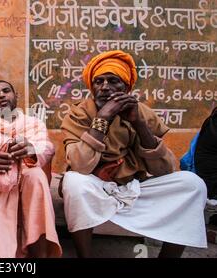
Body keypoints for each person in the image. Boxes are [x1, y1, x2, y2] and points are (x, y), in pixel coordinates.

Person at [60, 50, 207, 258]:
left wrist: (138, 123)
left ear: (126, 87)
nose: (104, 87)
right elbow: (80, 165)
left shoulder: (143, 113)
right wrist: (102, 118)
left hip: (136, 186)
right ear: (91, 87)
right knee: (73, 182)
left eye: (113, 81)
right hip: (96, 187)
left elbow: (165, 170)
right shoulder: (79, 114)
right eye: (98, 82)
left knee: (193, 184)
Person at [0, 80, 62, 258]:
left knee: (36, 175)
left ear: (16, 96)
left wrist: (31, 150)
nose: (1, 95)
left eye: (6, 91)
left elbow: (46, 147)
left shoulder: (33, 123)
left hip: (26, 181)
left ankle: (38, 252)